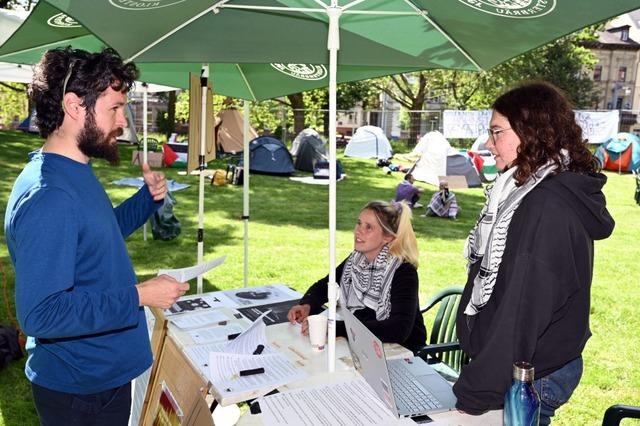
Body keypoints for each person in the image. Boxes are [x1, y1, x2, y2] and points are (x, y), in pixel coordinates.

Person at [4, 47, 190, 425]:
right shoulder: (50, 196)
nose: (122, 121)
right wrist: (140, 295)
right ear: (75, 106)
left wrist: (147, 201)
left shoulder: (72, 171)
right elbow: (41, 314)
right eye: (115, 108)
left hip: (98, 376)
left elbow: (96, 238)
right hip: (81, 391)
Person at [453, 81, 615, 424]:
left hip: (531, 377)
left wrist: (475, 393)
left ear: (530, 132)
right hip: (523, 366)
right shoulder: (529, 192)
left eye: (497, 132)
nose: (488, 143)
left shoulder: (545, 204)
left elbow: (523, 312)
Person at [287, 200, 426, 352]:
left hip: (404, 354)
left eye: (369, 227)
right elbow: (327, 284)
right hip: (366, 347)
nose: (358, 231)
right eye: (359, 223)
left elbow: (398, 329)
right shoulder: (356, 259)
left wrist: (336, 328)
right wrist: (307, 305)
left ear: (387, 237)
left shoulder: (403, 271)